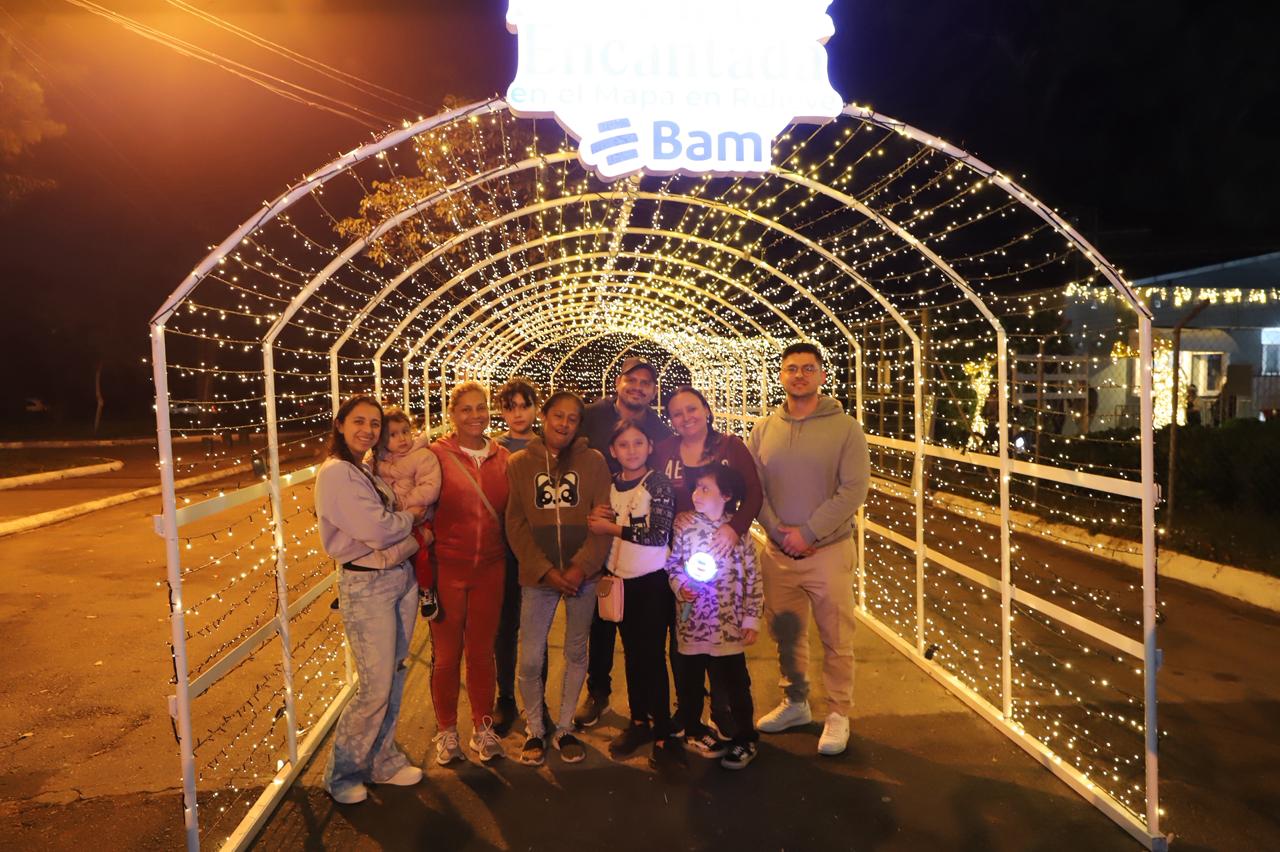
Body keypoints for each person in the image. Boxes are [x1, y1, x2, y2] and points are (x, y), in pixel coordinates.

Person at [748, 342, 870, 756]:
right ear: (781, 376)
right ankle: (796, 702)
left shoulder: (845, 428)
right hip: (778, 553)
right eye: (791, 368)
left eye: (807, 368)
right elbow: (754, 488)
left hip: (828, 552)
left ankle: (838, 712)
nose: (799, 375)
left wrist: (809, 533)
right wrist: (777, 531)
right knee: (786, 633)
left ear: (821, 376)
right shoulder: (764, 429)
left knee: (837, 636)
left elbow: (854, 488)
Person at [315, 395, 426, 804]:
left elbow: (385, 532)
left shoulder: (361, 469)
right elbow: (378, 531)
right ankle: (342, 774)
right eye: (359, 421)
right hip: (367, 586)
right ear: (340, 424)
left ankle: (382, 760)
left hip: (397, 580)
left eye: (375, 424)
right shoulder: (336, 473)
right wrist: (412, 524)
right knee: (374, 688)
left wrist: (403, 538)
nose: (368, 430)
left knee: (393, 677)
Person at [505, 391, 612, 765]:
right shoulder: (520, 463)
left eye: (572, 418)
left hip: (583, 576)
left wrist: (581, 566)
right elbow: (516, 524)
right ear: (544, 417)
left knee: (576, 652)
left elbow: (603, 518)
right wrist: (545, 570)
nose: (564, 423)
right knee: (530, 658)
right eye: (558, 415)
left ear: (579, 424)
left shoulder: (593, 461)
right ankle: (536, 727)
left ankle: (564, 727)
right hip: (539, 577)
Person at [577, 357, 675, 727]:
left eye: (646, 383)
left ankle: (651, 715)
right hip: (597, 540)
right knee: (600, 627)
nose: (637, 387)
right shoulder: (591, 416)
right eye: (631, 379)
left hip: (640, 559)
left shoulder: (660, 430)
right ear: (618, 382)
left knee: (643, 644)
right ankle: (599, 692)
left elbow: (656, 523)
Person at [585, 420, 682, 766]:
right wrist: (595, 517)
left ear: (649, 446)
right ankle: (639, 721)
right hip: (619, 581)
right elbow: (595, 522)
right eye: (623, 445)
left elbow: (658, 534)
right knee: (632, 655)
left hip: (651, 581)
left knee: (652, 657)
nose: (631, 450)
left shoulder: (658, 482)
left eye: (638, 443)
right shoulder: (609, 485)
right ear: (613, 450)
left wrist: (610, 527)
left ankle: (663, 732)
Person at [427, 382, 510, 765]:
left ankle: (482, 728)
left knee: (481, 653)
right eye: (466, 409)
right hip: (447, 568)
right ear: (452, 415)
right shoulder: (436, 456)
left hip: (491, 569)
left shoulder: (503, 457)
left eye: (481, 408)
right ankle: (446, 731)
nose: (475, 416)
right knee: (446, 657)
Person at [666, 466, 763, 770]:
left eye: (705, 489)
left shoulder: (738, 533)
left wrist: (751, 618)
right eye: (696, 488)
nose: (696, 494)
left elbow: (753, 577)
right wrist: (681, 586)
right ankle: (694, 730)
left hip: (727, 625)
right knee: (690, 682)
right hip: (692, 624)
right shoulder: (684, 527)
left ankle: (746, 737)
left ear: (726, 495)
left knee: (736, 683)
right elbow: (673, 565)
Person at [493, 377, 549, 735]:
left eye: (524, 406)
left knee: (536, 629)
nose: (518, 413)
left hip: (536, 548)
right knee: (505, 627)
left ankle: (538, 701)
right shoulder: (494, 449)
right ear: (502, 411)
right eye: (510, 407)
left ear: (535, 408)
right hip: (502, 548)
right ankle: (506, 698)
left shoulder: (546, 448)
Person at [651, 385, 763, 559]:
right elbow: (651, 497)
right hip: (679, 548)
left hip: (724, 547)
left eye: (692, 409)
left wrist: (735, 527)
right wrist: (673, 518)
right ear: (671, 421)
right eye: (677, 414)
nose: (686, 417)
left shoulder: (730, 446)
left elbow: (754, 492)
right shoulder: (663, 451)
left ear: (706, 410)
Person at [368, 407, 443, 620]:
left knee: (420, 552)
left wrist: (405, 503)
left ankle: (427, 591)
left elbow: (430, 488)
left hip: (416, 517)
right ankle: (358, 587)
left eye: (405, 431)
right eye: (393, 434)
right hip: (390, 519)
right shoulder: (379, 461)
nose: (402, 438)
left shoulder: (422, 456)